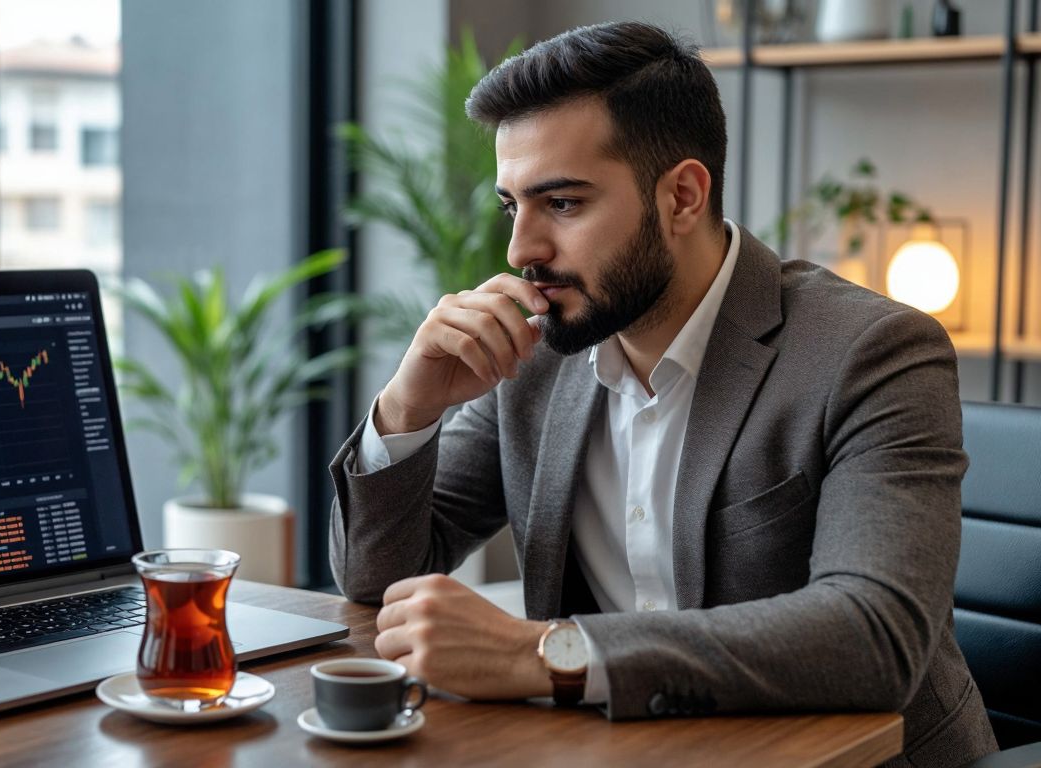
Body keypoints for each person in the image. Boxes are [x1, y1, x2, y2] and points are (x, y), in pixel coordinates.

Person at [327, 20, 996, 766]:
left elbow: (873, 636)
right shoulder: (542, 356)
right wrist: (409, 408)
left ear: (682, 196)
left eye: (564, 203)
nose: (521, 252)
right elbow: (375, 579)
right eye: (512, 206)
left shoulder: (870, 353)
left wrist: (546, 654)